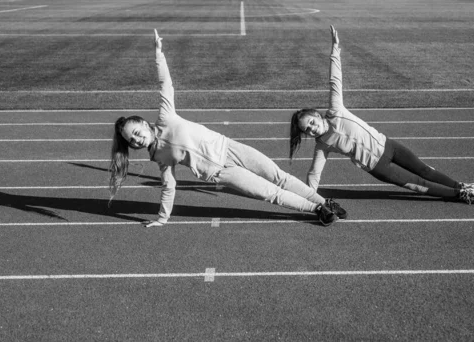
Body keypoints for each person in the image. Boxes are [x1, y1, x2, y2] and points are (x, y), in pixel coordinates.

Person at [109, 30, 346, 227]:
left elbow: (165, 85)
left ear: (143, 123)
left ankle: (325, 202)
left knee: (279, 177)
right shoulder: (159, 157)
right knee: (269, 193)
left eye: (136, 133)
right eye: (132, 141)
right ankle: (317, 209)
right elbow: (168, 186)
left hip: (230, 148)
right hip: (221, 172)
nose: (137, 141)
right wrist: (162, 218)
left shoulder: (165, 117)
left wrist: (159, 54)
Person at [288, 26, 474, 205]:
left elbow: (334, 81)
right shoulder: (322, 145)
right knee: (418, 184)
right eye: (308, 130)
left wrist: (334, 52)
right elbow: (314, 172)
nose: (312, 129)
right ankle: (460, 195)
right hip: (378, 167)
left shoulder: (335, 110)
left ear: (316, 114)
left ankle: (460, 185)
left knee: (425, 170)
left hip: (389, 146)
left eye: (311, 122)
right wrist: (310, 198)